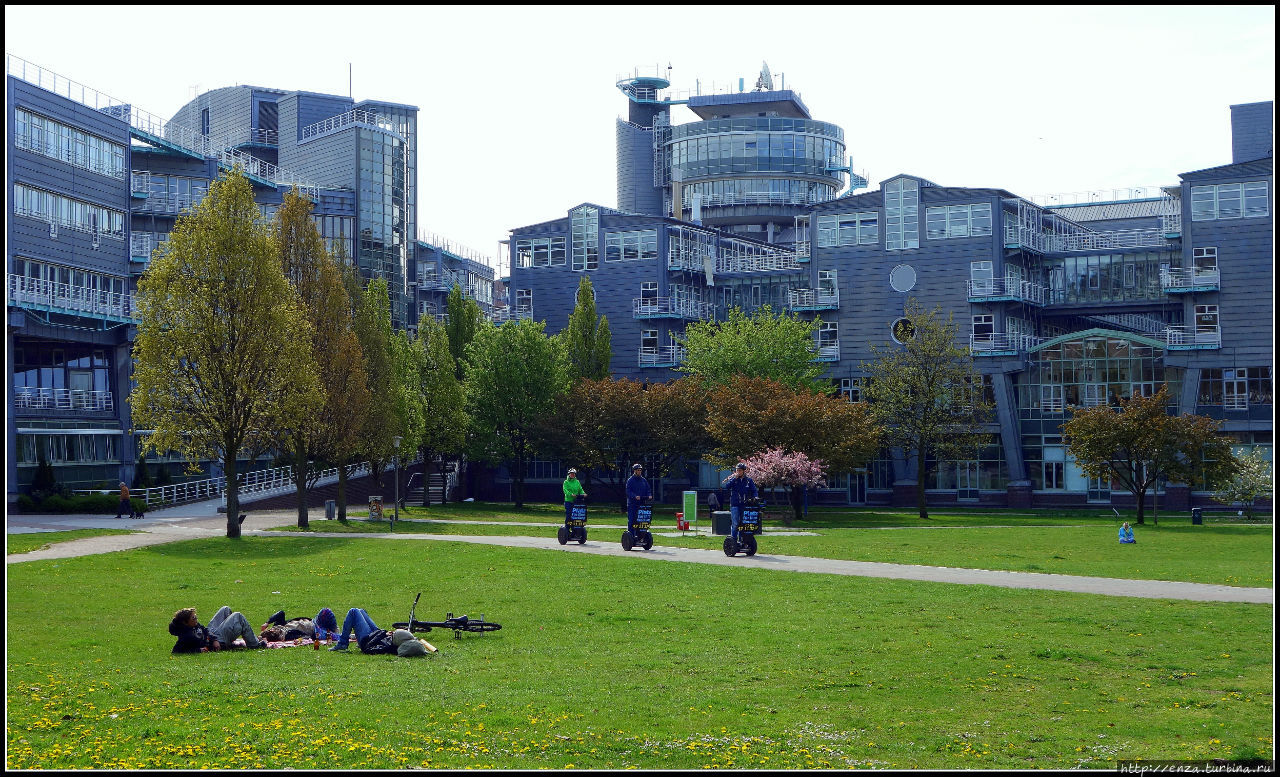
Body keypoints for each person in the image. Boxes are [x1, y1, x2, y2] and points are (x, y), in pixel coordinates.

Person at [169, 606, 264, 653]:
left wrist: (213, 639)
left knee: (225, 609)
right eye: (193, 618)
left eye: (196, 617)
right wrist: (199, 650)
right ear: (185, 623)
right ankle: (255, 645)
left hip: (214, 638)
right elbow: (176, 650)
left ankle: (230, 638)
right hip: (218, 642)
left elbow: (205, 629)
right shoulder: (186, 636)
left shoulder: (194, 625)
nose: (196, 620)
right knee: (237, 616)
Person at [329, 608, 420, 655]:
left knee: (353, 612)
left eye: (394, 634)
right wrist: (385, 634)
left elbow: (369, 648)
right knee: (361, 611)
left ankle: (342, 644)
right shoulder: (393, 643)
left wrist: (384, 633)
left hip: (367, 640)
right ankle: (342, 642)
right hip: (376, 635)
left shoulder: (386, 646)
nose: (393, 633)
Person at [721, 463, 759, 544]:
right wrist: (734, 479)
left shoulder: (748, 481)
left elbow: (754, 490)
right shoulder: (733, 480)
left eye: (740, 470)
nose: (738, 472)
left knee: (743, 523)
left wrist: (755, 497)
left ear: (743, 471)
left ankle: (742, 539)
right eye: (737, 470)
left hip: (744, 505)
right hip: (735, 504)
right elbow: (727, 486)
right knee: (735, 523)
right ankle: (733, 540)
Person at [625, 463, 652, 535]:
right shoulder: (630, 480)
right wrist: (634, 496)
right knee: (632, 520)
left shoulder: (643, 480)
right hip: (633, 504)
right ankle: (631, 535)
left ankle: (641, 534)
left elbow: (648, 489)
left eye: (640, 470)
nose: (640, 471)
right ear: (634, 471)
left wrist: (649, 495)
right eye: (638, 470)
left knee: (642, 520)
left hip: (642, 503)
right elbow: (628, 491)